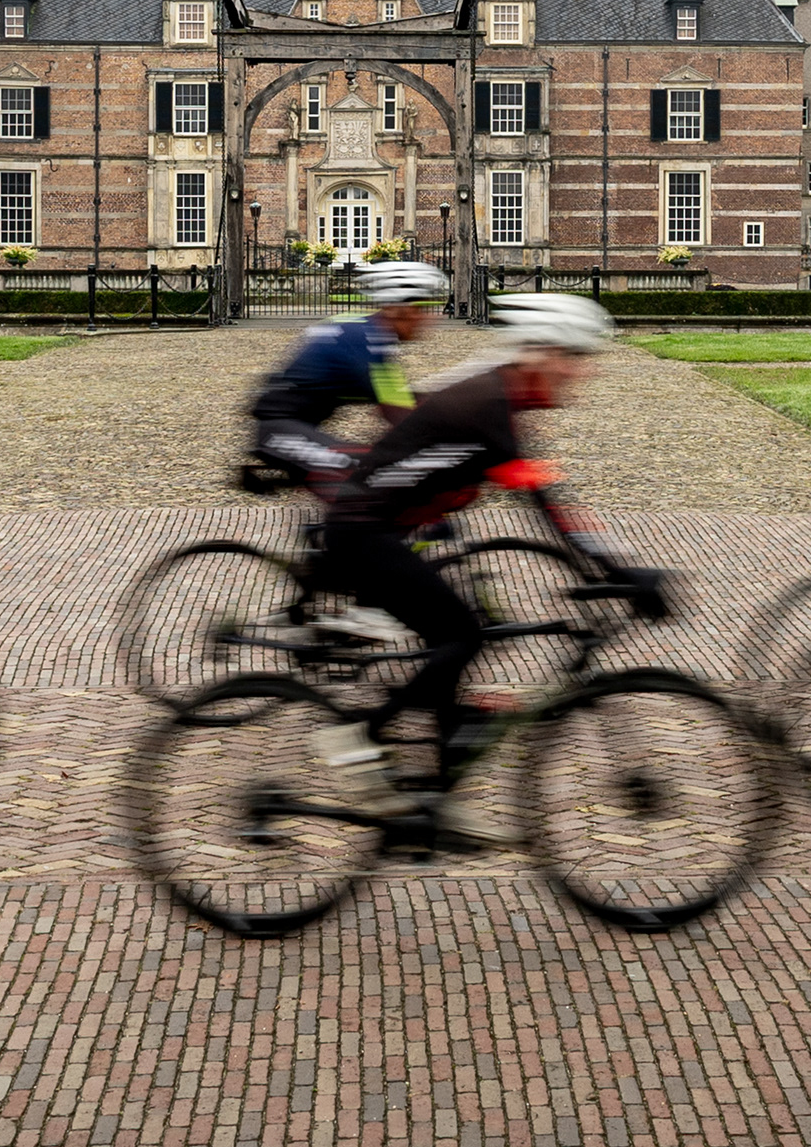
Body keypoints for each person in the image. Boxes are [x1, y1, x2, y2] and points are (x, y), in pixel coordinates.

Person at [309, 289, 666, 839]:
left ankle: (436, 796)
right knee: (462, 636)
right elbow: (548, 502)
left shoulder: (499, 396)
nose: (580, 373)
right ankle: (360, 736)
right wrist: (618, 571)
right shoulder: (489, 408)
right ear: (537, 353)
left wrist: (609, 566)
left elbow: (543, 488)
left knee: (459, 639)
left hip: (385, 529)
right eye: (571, 358)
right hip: (364, 535)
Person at [243, 258, 446, 493]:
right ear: (397, 310)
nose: (428, 319)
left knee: (384, 467)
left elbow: (407, 401)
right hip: (278, 433)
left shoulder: (368, 334)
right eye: (421, 309)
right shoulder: (366, 343)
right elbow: (401, 413)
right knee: (372, 473)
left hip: (293, 428)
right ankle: (332, 530)